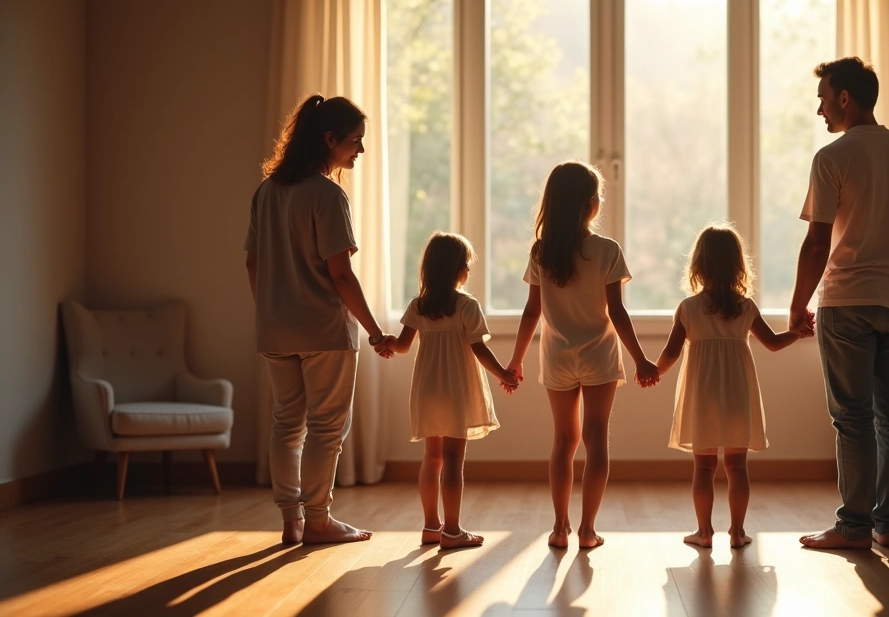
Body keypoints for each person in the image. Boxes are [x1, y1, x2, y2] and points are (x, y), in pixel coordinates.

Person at [789, 57, 889, 550]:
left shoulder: (833, 157)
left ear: (844, 98)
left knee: (852, 417)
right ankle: (886, 525)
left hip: (847, 301)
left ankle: (853, 528)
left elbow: (817, 244)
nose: (820, 110)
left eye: (823, 99)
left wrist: (797, 306)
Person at [245, 94, 385, 544]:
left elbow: (252, 262)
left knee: (287, 424)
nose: (360, 150)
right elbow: (340, 274)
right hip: (324, 329)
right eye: (355, 140)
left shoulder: (267, 192)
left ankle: (292, 521)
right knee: (326, 428)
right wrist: (375, 331)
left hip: (275, 329)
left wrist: (270, 310)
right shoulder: (328, 195)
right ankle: (319, 521)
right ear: (329, 139)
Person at [506, 161, 661, 549]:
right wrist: (641, 359)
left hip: (557, 357)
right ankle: (588, 530)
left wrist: (516, 360)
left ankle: (560, 528)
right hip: (599, 356)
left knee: (563, 441)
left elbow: (531, 312)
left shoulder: (542, 251)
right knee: (596, 439)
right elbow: (617, 312)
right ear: (592, 203)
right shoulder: (607, 250)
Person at [656, 225, 802, 549]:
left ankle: (704, 532)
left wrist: (654, 372)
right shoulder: (745, 307)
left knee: (703, 467)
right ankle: (737, 532)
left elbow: (671, 352)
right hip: (738, 392)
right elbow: (773, 343)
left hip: (702, 394)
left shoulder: (689, 308)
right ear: (738, 265)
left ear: (698, 265)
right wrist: (798, 332)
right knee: (737, 466)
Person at [377, 232, 518, 550]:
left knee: (432, 457)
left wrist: (386, 343)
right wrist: (504, 375)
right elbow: (479, 349)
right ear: (458, 270)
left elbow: (402, 346)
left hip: (427, 389)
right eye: (466, 264)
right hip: (457, 389)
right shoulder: (467, 305)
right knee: (454, 458)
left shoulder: (419, 305)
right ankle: (452, 530)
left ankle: (431, 526)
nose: (468, 269)